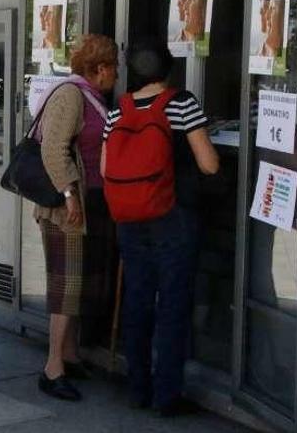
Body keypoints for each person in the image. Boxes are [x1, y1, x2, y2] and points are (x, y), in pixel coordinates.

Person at [101, 39, 219, 416]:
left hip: (130, 219)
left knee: (138, 299)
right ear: (169, 70)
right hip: (173, 218)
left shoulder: (118, 111)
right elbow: (209, 165)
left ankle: (138, 388)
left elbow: (105, 170)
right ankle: (166, 395)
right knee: (172, 303)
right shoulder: (181, 103)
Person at [30, 34, 119, 401]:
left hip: (88, 204)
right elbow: (53, 148)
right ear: (100, 69)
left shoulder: (92, 95)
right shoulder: (71, 94)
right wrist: (68, 192)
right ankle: (52, 369)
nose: (116, 74)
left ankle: (69, 354)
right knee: (66, 288)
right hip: (67, 208)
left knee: (80, 284)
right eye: (114, 67)